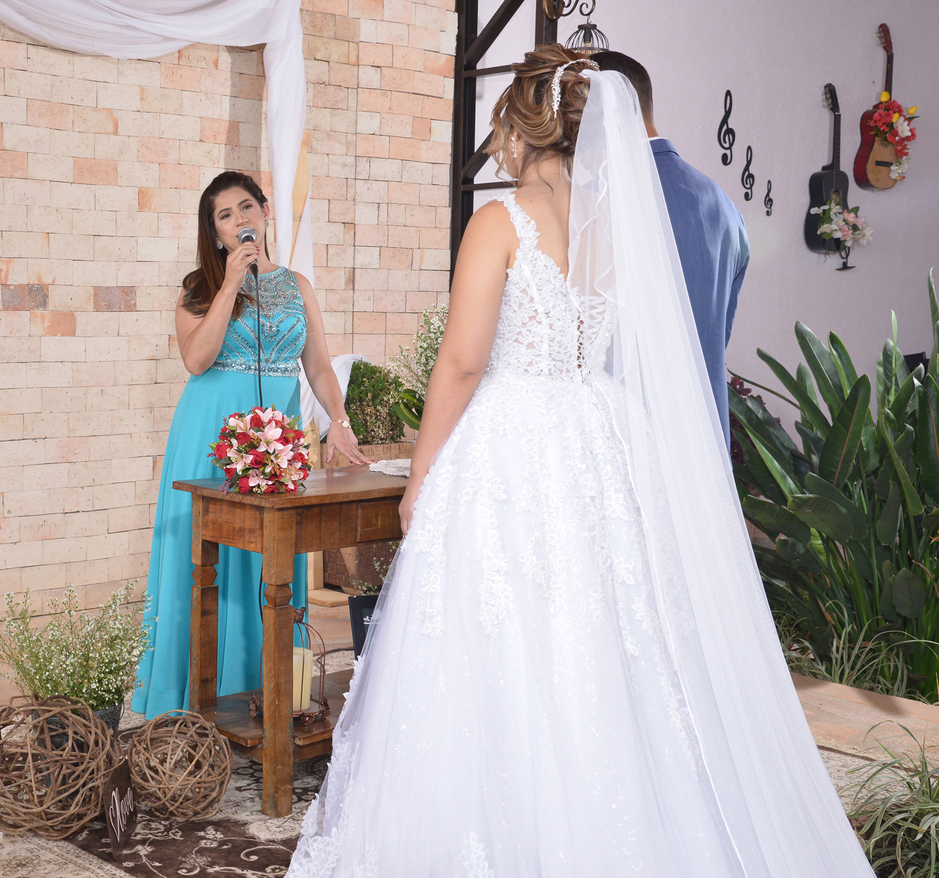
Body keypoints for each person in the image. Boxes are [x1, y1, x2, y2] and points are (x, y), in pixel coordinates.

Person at [288, 48, 873, 877]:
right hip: (594, 442)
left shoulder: (499, 221)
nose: (492, 140)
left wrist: (420, 479)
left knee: (498, 634)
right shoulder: (613, 228)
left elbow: (459, 364)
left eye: (498, 121)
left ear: (521, 128)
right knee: (602, 636)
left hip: (514, 435)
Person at [132, 170, 367, 719]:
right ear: (215, 233)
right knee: (206, 557)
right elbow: (196, 359)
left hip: (276, 435)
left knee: (273, 554)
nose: (240, 220)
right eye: (225, 215)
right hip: (211, 433)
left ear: (265, 213)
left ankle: (271, 688)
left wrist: (339, 419)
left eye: (246, 208)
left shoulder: (297, 285)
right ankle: (192, 695)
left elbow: (318, 365)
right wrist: (231, 285)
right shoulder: (199, 287)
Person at [592, 50, 749, 448]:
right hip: (704, 434)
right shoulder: (724, 205)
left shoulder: (604, 198)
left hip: (628, 436)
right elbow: (718, 331)